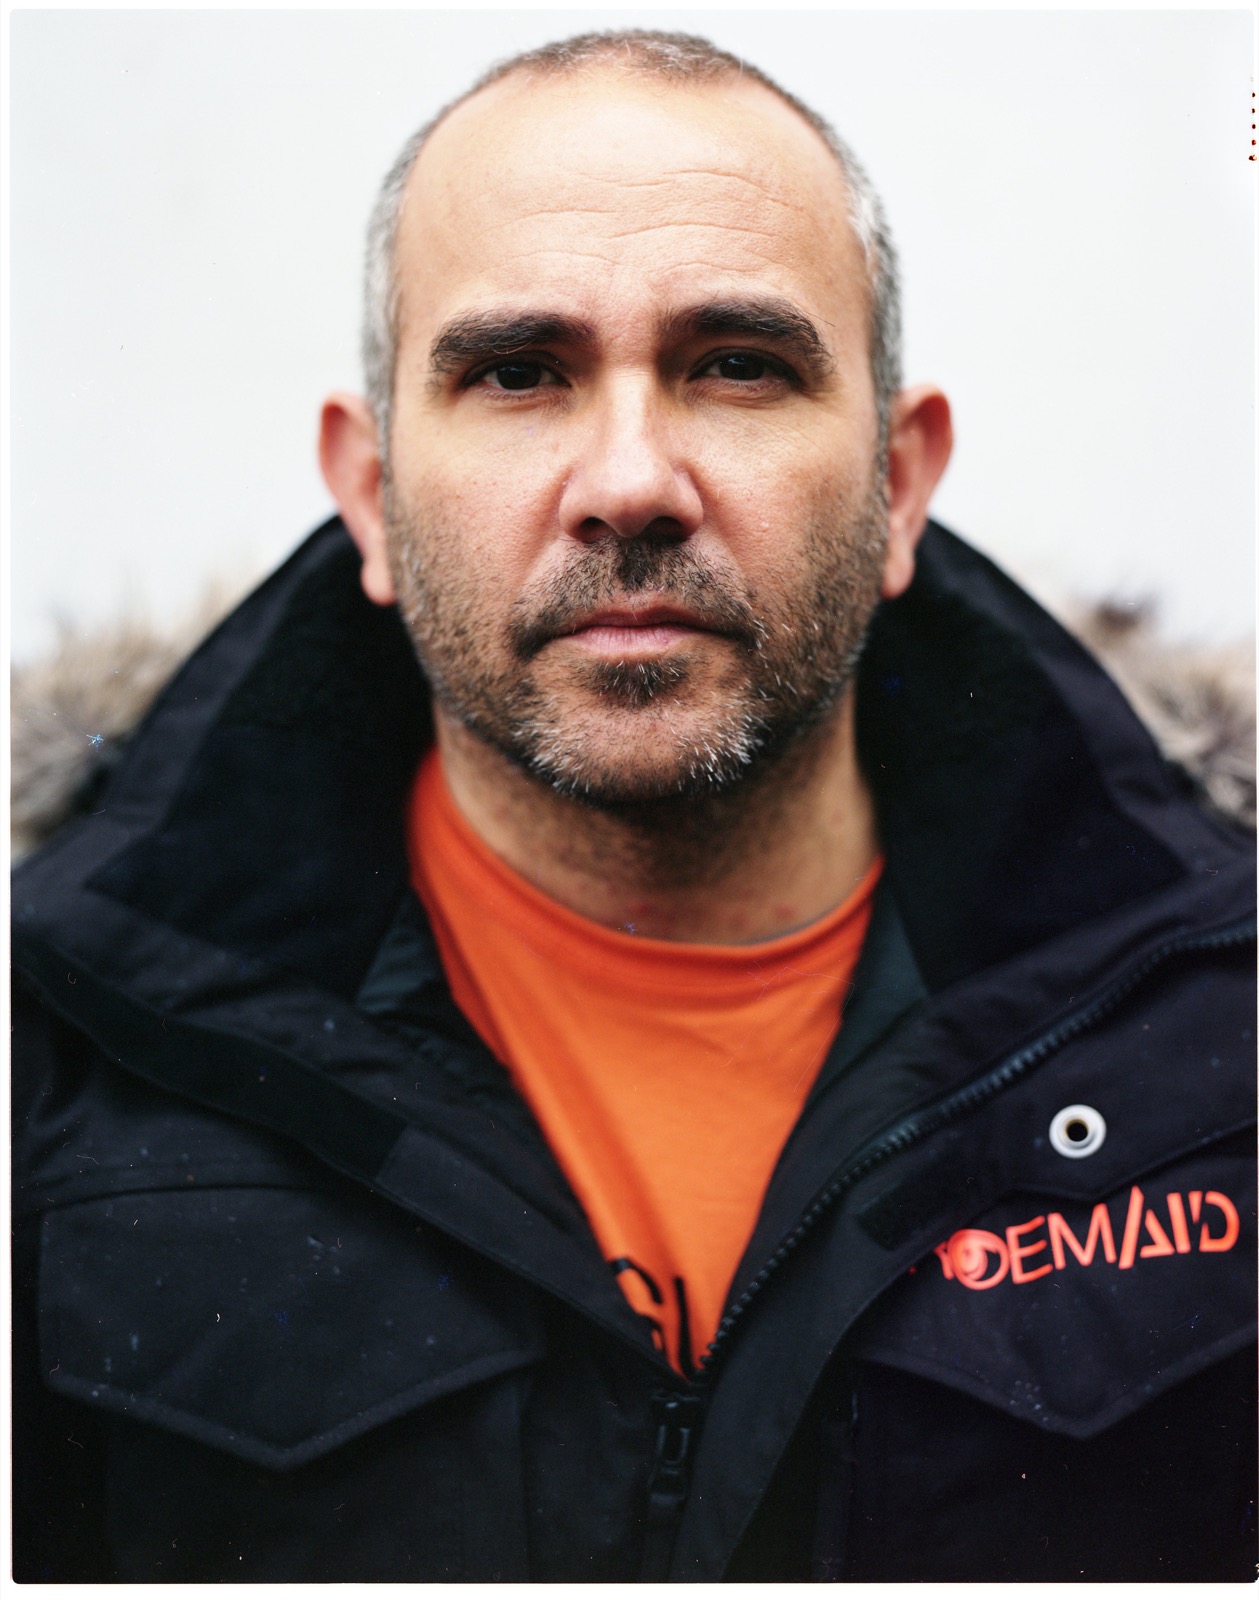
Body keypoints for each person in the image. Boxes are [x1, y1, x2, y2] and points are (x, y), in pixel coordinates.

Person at [10, 29, 1255, 1582]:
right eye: (519, 373)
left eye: (737, 364)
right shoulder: (53, 1053)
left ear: (899, 481)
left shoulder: (1220, 1026)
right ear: (376, 496)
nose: (630, 479)